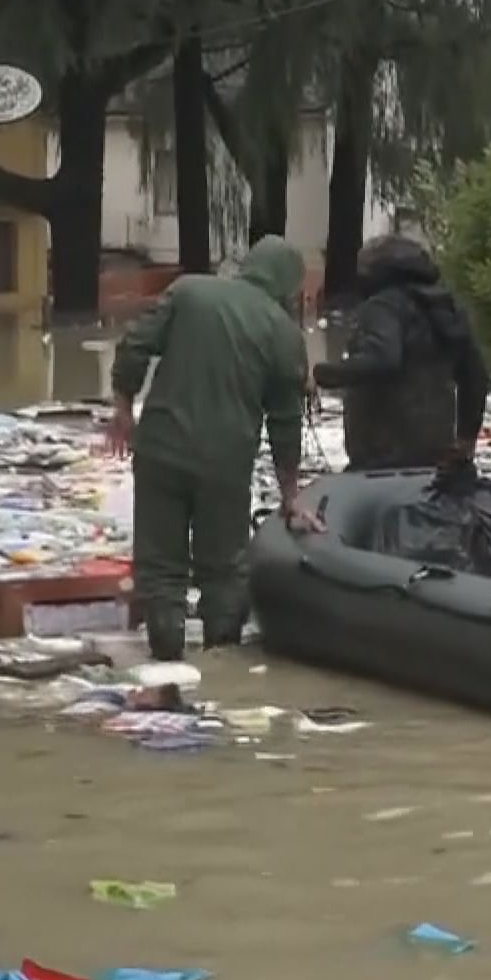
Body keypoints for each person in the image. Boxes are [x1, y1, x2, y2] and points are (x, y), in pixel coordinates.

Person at [107, 235, 322, 661]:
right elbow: (285, 423)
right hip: (225, 462)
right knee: (222, 567)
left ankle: (166, 661)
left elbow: (134, 344)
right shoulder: (283, 334)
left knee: (160, 565)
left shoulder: (189, 291)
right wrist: (291, 497)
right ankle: (220, 663)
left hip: (160, 449)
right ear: (288, 285)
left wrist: (123, 409)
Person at [311, 235, 490, 470]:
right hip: (436, 446)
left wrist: (322, 374)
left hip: (380, 448)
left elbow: (381, 358)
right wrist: (467, 437)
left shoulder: (382, 306)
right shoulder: (448, 308)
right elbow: (475, 375)